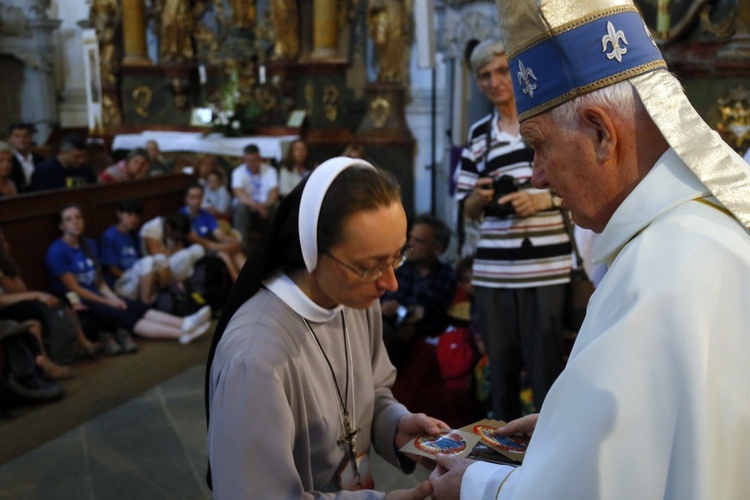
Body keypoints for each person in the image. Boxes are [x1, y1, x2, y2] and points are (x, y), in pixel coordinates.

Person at [429, 0, 750, 498]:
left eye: (538, 145)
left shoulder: (659, 268)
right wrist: (569, 424)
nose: (536, 173)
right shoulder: (699, 231)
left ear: (601, 133)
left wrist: (478, 485)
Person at [205, 158, 448, 497]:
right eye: (372, 266)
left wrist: (394, 424)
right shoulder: (254, 359)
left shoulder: (357, 298)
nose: (390, 283)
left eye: (396, 256)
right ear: (312, 252)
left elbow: (372, 390)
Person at [455, 38, 571, 421]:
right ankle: (499, 460)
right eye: (485, 75)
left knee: (547, 373)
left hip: (545, 268)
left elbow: (575, 183)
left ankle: (547, 462)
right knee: (500, 374)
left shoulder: (545, 119)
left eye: (502, 70)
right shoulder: (479, 135)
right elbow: (467, 208)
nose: (494, 81)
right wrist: (480, 197)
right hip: (494, 272)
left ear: (517, 72)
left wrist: (541, 200)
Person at [45, 205, 213, 352]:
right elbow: (75, 288)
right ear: (61, 225)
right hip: (81, 300)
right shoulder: (57, 251)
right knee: (124, 315)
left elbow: (100, 282)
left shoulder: (89, 244)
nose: (75, 222)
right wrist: (108, 302)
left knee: (135, 306)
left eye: (78, 217)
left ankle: (184, 322)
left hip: (99, 293)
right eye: (69, 219)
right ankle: (181, 334)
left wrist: (113, 298)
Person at [0, 228, 99, 379]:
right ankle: (46, 363)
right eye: (2, 242)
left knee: (60, 296)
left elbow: (21, 290)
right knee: (34, 311)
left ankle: (82, 342)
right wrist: (36, 295)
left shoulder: (5, 264)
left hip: (13, 302)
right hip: (3, 307)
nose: (7, 245)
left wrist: (7, 267)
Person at [380, 214, 456, 369]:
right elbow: (383, 298)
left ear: (437, 249)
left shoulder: (446, 276)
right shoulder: (400, 268)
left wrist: (415, 326)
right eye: (411, 238)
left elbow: (436, 313)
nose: (410, 244)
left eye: (418, 241)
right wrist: (384, 307)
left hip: (419, 331)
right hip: (389, 324)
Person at [99, 199, 172, 304]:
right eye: (129, 214)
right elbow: (112, 270)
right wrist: (136, 277)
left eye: (136, 216)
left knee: (160, 259)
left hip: (137, 275)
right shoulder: (110, 236)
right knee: (147, 262)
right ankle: (146, 305)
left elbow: (141, 258)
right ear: (119, 214)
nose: (133, 219)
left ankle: (164, 293)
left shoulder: (134, 235)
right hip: (121, 282)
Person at [181, 183, 246, 281]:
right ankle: (239, 286)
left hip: (211, 245)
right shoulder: (182, 217)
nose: (196, 201)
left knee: (237, 252)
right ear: (186, 199)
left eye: (199, 197)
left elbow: (219, 235)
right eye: (192, 197)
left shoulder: (205, 214)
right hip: (197, 250)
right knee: (225, 255)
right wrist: (226, 247)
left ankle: (252, 280)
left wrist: (232, 241)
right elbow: (200, 242)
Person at [231, 143, 279, 254]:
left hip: (265, 208)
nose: (252, 163)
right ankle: (241, 245)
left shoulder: (270, 171)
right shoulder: (238, 172)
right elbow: (239, 194)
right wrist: (257, 206)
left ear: (260, 158)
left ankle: (275, 245)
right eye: (249, 160)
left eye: (255, 160)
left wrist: (264, 205)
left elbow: (274, 193)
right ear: (244, 160)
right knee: (241, 207)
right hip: (248, 208)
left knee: (275, 207)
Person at [140, 211, 206, 284]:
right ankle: (181, 283)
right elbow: (156, 255)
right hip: (160, 267)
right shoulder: (152, 228)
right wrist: (174, 254)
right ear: (169, 227)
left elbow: (179, 249)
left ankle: (192, 280)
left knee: (198, 249)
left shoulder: (177, 230)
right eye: (176, 236)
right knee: (185, 255)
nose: (176, 238)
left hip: (173, 261)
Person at [30, 135, 96, 191]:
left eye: (84, 156)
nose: (81, 160)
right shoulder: (44, 171)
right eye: (77, 157)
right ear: (63, 153)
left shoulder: (84, 168)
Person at [7, 123, 45, 192]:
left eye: (26, 136)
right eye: (17, 136)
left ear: (30, 138)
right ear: (10, 139)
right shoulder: (8, 161)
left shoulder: (40, 159)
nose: (22, 139)